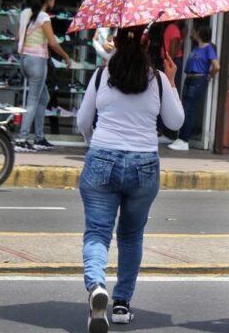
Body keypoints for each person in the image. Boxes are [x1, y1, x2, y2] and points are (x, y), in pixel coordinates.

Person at [75, 26, 184, 330]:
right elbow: (175, 122)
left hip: (102, 156)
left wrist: (94, 142)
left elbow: (83, 121)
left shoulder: (102, 75)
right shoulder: (157, 79)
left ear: (116, 41)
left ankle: (97, 286)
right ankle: (122, 304)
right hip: (143, 163)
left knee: (98, 232)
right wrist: (172, 82)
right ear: (148, 46)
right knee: (132, 235)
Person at [15, 0, 72, 152]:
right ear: (48, 0)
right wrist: (66, 57)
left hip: (24, 60)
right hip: (37, 61)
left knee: (43, 97)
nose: (55, 1)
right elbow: (53, 42)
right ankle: (22, 139)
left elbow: (18, 37)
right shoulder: (44, 16)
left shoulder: (25, 13)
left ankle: (39, 138)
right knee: (33, 100)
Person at [168, 26, 220, 151]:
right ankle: (181, 138)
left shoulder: (208, 47)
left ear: (199, 32)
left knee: (189, 110)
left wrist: (209, 76)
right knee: (185, 108)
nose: (192, 32)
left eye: (194, 31)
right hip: (190, 79)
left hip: (197, 80)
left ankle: (184, 139)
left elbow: (216, 66)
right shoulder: (196, 48)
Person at [161, 21, 185, 88]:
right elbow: (173, 52)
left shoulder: (169, 27)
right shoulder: (175, 29)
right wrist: (182, 39)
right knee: (174, 86)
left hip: (167, 59)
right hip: (173, 60)